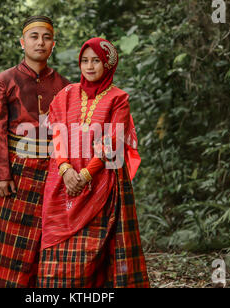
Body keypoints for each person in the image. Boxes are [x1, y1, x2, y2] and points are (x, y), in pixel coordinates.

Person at [38, 37, 150, 288]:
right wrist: (66, 170)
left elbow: (113, 141)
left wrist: (86, 176)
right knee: (57, 246)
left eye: (96, 61)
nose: (89, 66)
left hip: (103, 182)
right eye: (85, 61)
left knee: (96, 251)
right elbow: (57, 133)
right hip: (62, 181)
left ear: (108, 64)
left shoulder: (118, 99)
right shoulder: (65, 95)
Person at [0, 16, 70, 288]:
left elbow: (68, 131)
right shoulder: (4, 81)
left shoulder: (64, 84)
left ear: (53, 45)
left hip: (54, 172)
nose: (40, 42)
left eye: (46, 37)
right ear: (23, 42)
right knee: (9, 244)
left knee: (47, 239)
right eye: (34, 37)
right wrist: (0, 175)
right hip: (17, 172)